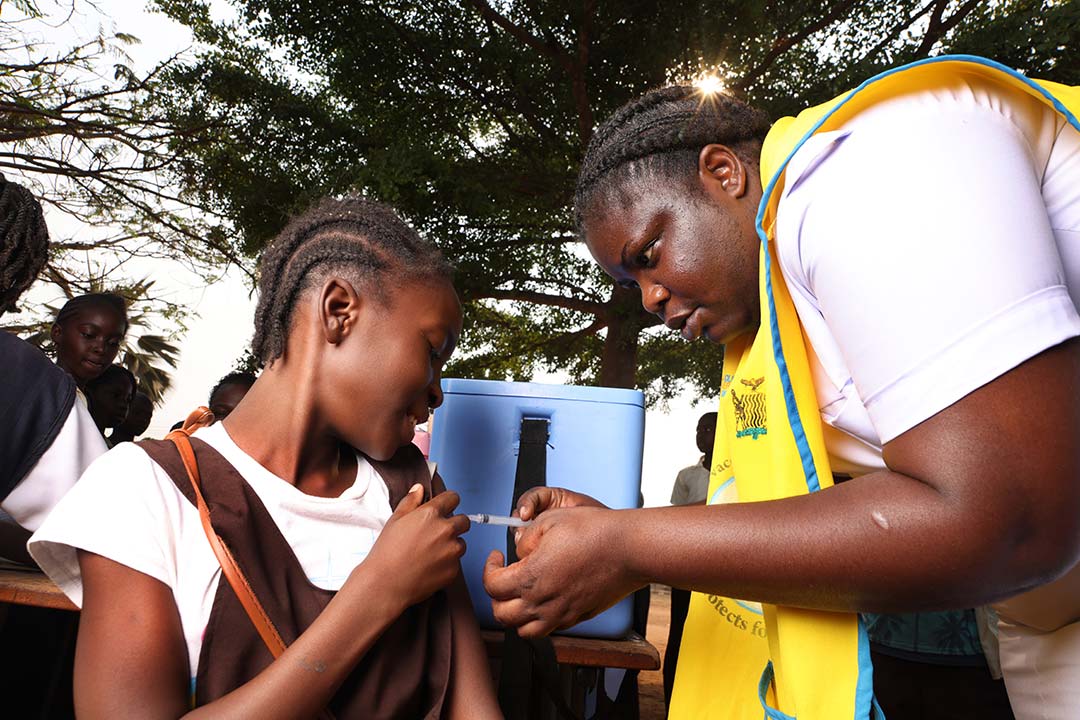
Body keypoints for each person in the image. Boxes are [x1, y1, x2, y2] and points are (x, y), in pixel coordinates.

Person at [483, 56, 1080, 719]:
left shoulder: (868, 168)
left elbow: (1012, 520)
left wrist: (628, 546)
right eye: (632, 288)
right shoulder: (769, 336)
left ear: (723, 173)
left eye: (648, 255)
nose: (650, 299)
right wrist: (616, 532)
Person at [30, 196, 500, 719]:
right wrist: (375, 593)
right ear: (339, 311)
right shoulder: (143, 489)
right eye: (432, 351)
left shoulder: (413, 492)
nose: (437, 393)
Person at [662, 411, 716, 710]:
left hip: (720, 573)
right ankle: (673, 703)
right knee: (681, 635)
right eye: (698, 428)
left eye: (708, 429)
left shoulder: (733, 473)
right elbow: (677, 520)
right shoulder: (687, 476)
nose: (701, 434)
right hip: (688, 571)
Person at [50, 292, 128, 389]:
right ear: (57, 333)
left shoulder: (84, 402)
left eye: (113, 342)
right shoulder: (34, 389)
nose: (101, 349)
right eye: (88, 335)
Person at [84, 364, 136, 442]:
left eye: (128, 400)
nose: (123, 405)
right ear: (90, 392)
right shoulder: (71, 438)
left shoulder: (107, 447)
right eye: (116, 395)